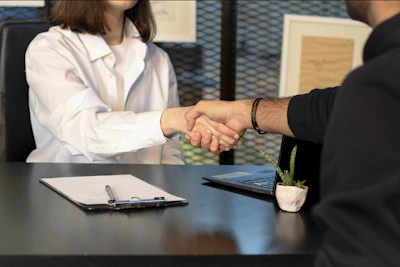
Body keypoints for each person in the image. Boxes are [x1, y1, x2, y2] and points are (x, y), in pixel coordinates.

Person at [185, 0, 400, 266]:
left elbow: (360, 247)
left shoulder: (377, 83)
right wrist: (243, 112)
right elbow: (330, 108)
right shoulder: (379, 82)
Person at [25, 0, 239, 164]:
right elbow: (84, 132)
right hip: (63, 201)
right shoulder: (48, 49)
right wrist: (171, 119)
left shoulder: (158, 58)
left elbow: (171, 155)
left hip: (145, 203)